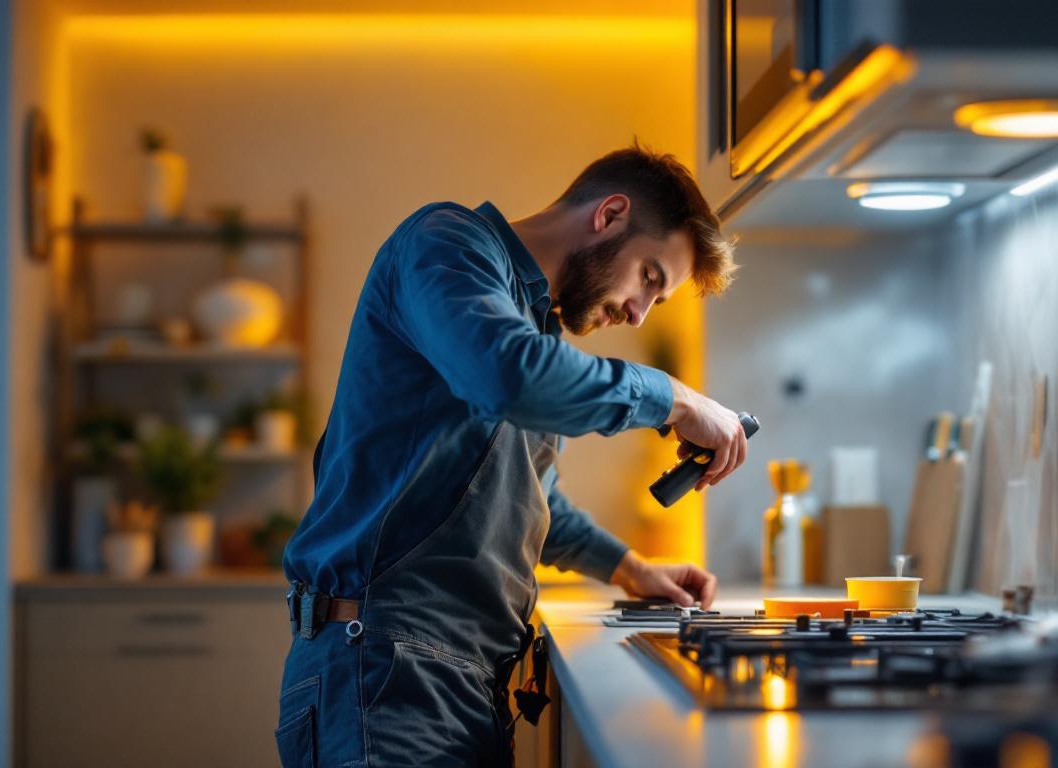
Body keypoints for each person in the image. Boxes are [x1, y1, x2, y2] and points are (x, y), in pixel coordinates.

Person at [275, 143, 745, 767]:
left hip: (453, 679)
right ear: (609, 215)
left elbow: (526, 495)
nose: (638, 313)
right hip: (382, 670)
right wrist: (675, 398)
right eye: (650, 279)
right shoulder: (446, 244)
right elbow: (510, 377)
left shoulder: (531, 326)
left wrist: (631, 569)